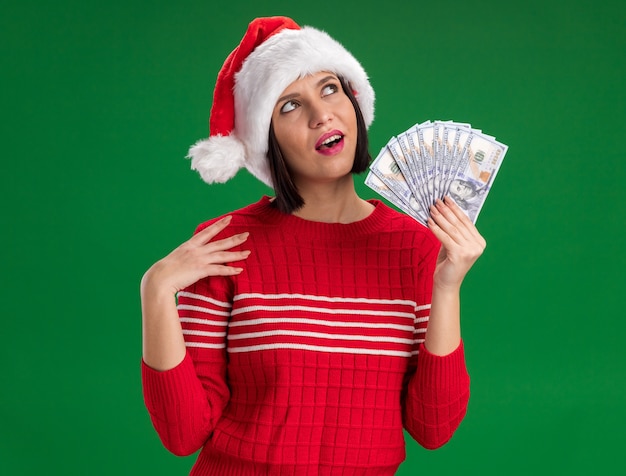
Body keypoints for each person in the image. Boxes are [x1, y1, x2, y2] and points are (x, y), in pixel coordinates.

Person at [141, 16, 486, 475]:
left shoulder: (417, 249)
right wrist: (156, 289)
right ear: (268, 140)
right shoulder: (224, 244)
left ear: (354, 103)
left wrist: (446, 288)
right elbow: (183, 435)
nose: (320, 114)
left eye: (329, 89)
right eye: (289, 106)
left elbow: (433, 429)